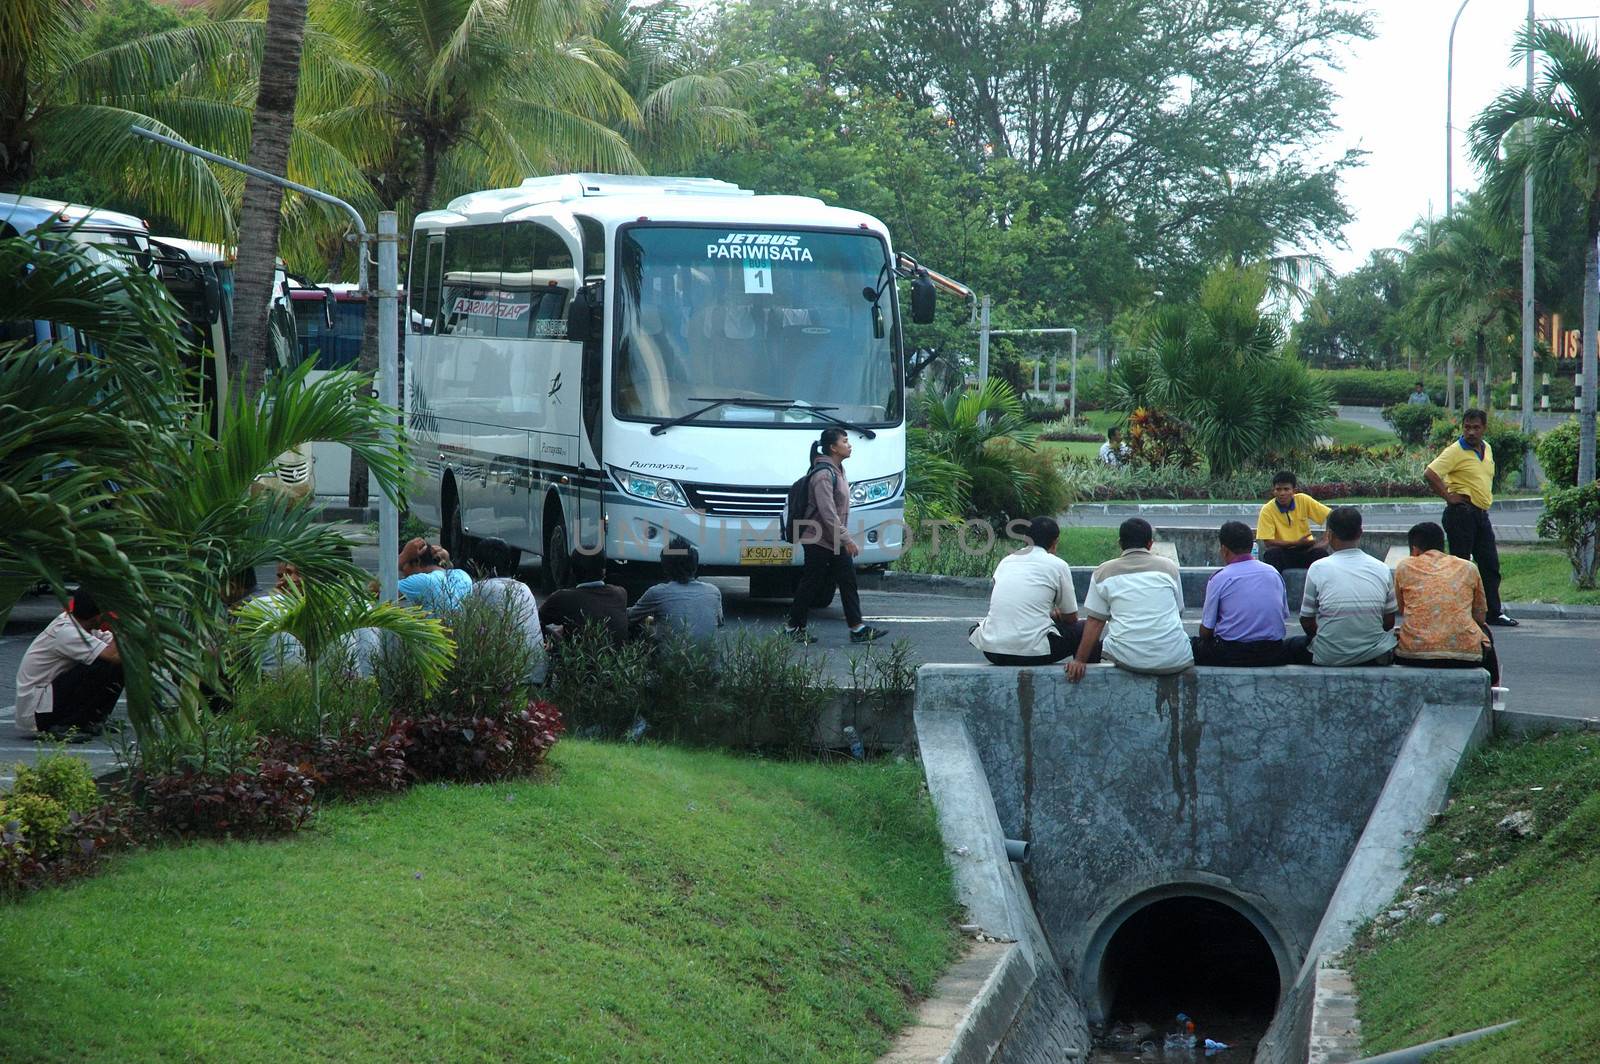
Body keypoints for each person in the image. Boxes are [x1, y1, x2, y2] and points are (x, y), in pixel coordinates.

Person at [783, 427, 888, 645]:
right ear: (833, 447)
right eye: (845, 441)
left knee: (847, 580)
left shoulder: (837, 470)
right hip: (818, 539)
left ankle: (857, 627)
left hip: (832, 538)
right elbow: (827, 512)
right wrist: (847, 539)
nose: (849, 445)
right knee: (811, 583)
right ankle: (793, 627)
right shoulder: (823, 474)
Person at [1065, 518, 1190, 682]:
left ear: (1120, 543)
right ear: (1150, 544)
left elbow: (1095, 622)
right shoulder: (1169, 568)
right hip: (1175, 657)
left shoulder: (1103, 572)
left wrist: (1079, 660)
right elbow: (1178, 610)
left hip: (1127, 658)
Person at [1425, 408, 1517, 627]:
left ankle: (1493, 613)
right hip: (1461, 514)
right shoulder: (1455, 450)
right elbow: (1430, 473)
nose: (1471, 432)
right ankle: (1460, 613)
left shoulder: (1488, 449)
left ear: (1484, 428)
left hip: (1481, 515)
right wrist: (1448, 496)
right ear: (1462, 428)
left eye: (1476, 427)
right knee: (1461, 566)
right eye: (1467, 427)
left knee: (1489, 564)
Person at [968, 516, 1087, 666]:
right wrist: (1056, 616)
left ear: (1025, 539)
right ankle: (1085, 671)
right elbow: (1071, 618)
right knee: (1085, 629)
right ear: (1055, 542)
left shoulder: (1006, 561)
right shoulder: (1058, 565)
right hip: (1033, 653)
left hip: (992, 652)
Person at [1287, 506, 1396, 667]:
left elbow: (1306, 621)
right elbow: (1389, 622)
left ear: (1329, 534)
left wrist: (1331, 640)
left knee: (1290, 645)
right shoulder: (1382, 568)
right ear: (1360, 532)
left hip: (1328, 655)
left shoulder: (1318, 568)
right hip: (1374, 654)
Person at [1393, 521, 1499, 685]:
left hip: (1414, 655)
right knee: (1485, 632)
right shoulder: (1468, 567)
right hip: (1466, 656)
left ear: (1414, 549)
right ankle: (1493, 693)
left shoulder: (1405, 566)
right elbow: (1479, 616)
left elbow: (1402, 609)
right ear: (1442, 545)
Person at [14, 590, 124, 740]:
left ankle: (92, 719)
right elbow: (113, 655)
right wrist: (121, 626)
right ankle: (64, 724)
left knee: (118, 664)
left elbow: (117, 649)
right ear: (98, 617)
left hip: (49, 699)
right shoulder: (66, 631)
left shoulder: (82, 625)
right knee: (102, 663)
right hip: (38, 711)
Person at [1191, 521, 1288, 667]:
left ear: (1224, 549)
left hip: (1232, 653)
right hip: (1272, 652)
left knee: (1190, 645)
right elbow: (1283, 614)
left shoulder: (1220, 578)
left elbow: (1206, 630)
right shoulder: (1273, 573)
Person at [469, 537, 545, 683]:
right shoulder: (524, 588)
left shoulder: (480, 590)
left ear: (477, 565)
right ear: (510, 563)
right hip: (535, 673)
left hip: (503, 680)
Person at [629, 535, 724, 644]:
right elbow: (719, 623)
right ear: (695, 565)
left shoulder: (657, 593)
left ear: (665, 568)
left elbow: (630, 617)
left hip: (672, 658)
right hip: (707, 659)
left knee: (643, 623)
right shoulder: (713, 591)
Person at [542, 549, 630, 647]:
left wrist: (555, 639)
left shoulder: (562, 598)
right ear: (604, 570)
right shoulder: (620, 593)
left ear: (573, 571)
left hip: (578, 658)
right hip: (618, 659)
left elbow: (533, 621)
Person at [1255, 471, 1330, 572]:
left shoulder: (1303, 500)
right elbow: (1268, 542)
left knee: (1320, 553)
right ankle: (1279, 586)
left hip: (1306, 549)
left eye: (1286, 489)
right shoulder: (1267, 510)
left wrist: (1326, 539)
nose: (1282, 493)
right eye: (1278, 489)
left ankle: (1319, 587)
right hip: (1283, 551)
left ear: (1294, 490)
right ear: (1274, 491)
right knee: (1271, 554)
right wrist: (1295, 543)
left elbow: (1331, 515)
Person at [398, 537, 472, 616]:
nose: (403, 574)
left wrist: (402, 557)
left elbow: (384, 589)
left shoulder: (424, 581)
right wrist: (445, 559)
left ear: (416, 562)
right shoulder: (462, 575)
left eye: (402, 568)